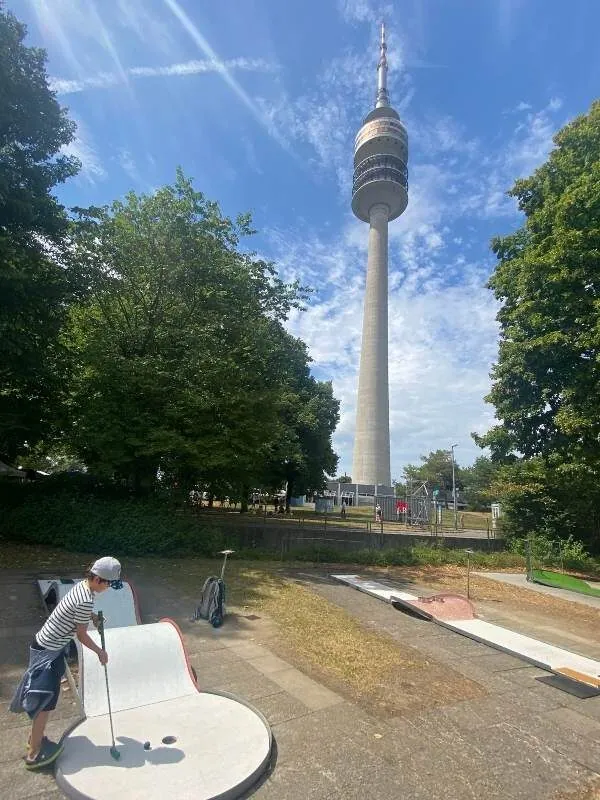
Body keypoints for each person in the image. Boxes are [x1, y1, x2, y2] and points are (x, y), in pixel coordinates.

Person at [11, 556, 122, 770]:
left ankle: (36, 737)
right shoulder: (86, 599)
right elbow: (81, 636)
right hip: (47, 653)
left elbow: (76, 614)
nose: (109, 587)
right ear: (99, 579)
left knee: (46, 699)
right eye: (109, 583)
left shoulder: (82, 587)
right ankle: (34, 755)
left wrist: (92, 618)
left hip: (48, 647)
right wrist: (100, 652)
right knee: (45, 703)